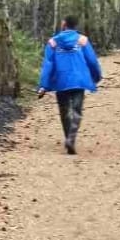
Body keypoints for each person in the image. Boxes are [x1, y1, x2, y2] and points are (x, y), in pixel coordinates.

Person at [37, 15, 102, 155]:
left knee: (64, 110)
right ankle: (71, 138)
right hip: (78, 80)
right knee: (77, 110)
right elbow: (92, 61)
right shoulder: (82, 40)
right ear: (75, 26)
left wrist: (43, 85)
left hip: (61, 80)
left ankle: (68, 138)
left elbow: (48, 64)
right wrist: (96, 77)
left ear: (64, 24)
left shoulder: (53, 42)